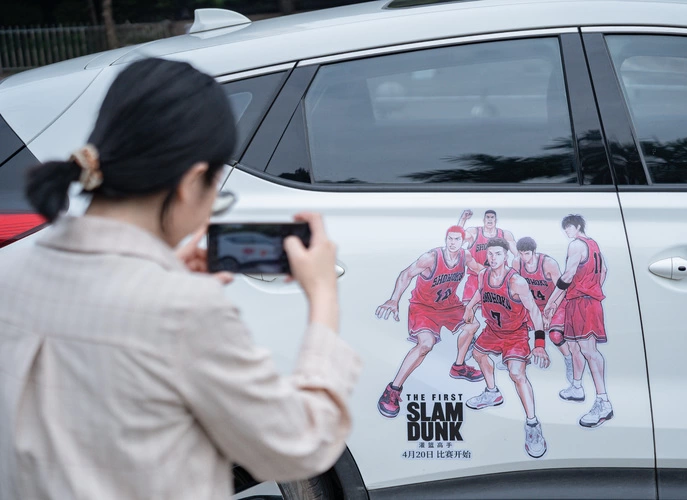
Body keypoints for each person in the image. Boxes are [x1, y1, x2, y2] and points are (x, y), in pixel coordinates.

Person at [0, 58, 361, 500]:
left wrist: (163, 274)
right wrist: (323, 297)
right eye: (217, 190)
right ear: (192, 182)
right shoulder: (181, 310)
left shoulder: (12, 273)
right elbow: (301, 445)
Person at [375, 226, 485, 418]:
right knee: (426, 344)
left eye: (456, 239)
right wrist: (394, 299)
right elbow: (406, 274)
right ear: (445, 239)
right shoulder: (431, 258)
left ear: (462, 241)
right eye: (450, 239)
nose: (452, 243)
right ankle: (392, 389)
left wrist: (501, 278)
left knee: (473, 324)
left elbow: (481, 270)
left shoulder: (465, 256)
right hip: (424, 307)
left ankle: (458, 367)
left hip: (449, 305)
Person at [463, 238, 550, 459]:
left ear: (506, 256)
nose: (493, 258)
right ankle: (492, 393)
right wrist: (470, 307)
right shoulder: (483, 275)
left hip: (515, 333)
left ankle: (532, 424)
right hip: (493, 330)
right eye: (490, 254)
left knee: (516, 374)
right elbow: (480, 292)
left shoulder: (516, 281)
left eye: (498, 254)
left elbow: (534, 311)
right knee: (478, 353)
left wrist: (540, 344)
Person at [544, 214, 613, 428]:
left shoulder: (576, 244)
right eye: (565, 228)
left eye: (568, 227)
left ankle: (603, 402)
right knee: (574, 347)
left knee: (589, 351)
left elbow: (567, 275)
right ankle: (576, 386)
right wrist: (593, 287)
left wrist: (552, 301)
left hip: (583, 302)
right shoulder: (593, 245)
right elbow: (604, 270)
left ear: (577, 227)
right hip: (578, 300)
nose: (566, 231)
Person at [514, 236, 581, 385]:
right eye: (521, 254)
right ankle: (521, 356)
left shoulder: (548, 264)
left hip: (554, 303)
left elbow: (561, 290)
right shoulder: (517, 263)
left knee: (555, 335)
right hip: (533, 305)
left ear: (534, 252)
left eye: (527, 253)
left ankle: (569, 360)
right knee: (516, 327)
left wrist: (550, 311)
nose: (524, 257)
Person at [457, 209, 518, 304]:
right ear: (484, 219)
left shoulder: (505, 235)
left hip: (498, 280)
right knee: (469, 310)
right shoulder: (474, 232)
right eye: (487, 217)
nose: (490, 219)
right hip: (475, 278)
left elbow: (517, 255)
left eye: (492, 217)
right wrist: (463, 219)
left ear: (496, 220)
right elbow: (456, 239)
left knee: (498, 310)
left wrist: (515, 274)